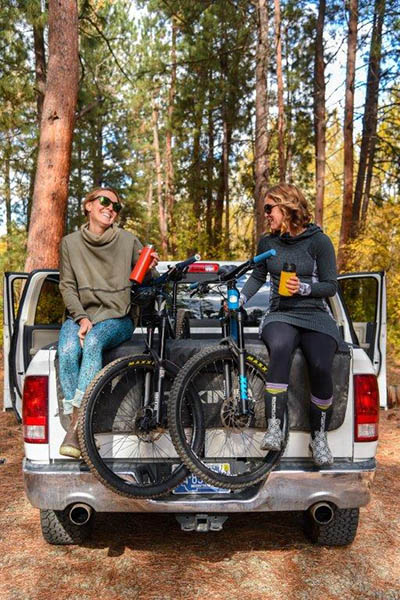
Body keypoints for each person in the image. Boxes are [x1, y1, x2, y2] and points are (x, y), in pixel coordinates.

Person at [241, 183, 340, 466]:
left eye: (269, 209)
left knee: (321, 364)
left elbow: (330, 286)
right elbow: (258, 276)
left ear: (287, 207)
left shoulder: (319, 241)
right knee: (281, 346)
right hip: (280, 313)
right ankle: (274, 427)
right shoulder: (268, 243)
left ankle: (318, 438)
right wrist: (241, 299)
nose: (266, 215)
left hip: (315, 314)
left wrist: (304, 289)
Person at [58, 187, 159, 458]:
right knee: (67, 351)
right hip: (80, 315)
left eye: (116, 205)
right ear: (88, 205)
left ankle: (77, 427)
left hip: (118, 317)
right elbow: (67, 286)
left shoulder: (127, 241)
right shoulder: (70, 243)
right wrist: (81, 317)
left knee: (93, 342)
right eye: (104, 201)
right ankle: (77, 426)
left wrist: (150, 269)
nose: (111, 208)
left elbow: (146, 281)